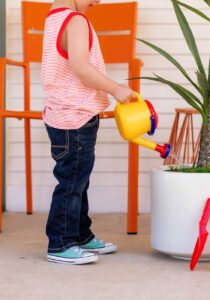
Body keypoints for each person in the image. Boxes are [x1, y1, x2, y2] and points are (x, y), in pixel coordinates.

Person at [41, 0, 135, 264]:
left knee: (77, 180)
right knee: (71, 183)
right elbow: (81, 67)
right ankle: (60, 243)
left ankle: (80, 234)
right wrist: (116, 89)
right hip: (75, 117)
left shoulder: (54, 18)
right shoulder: (76, 21)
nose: (98, 2)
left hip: (66, 114)